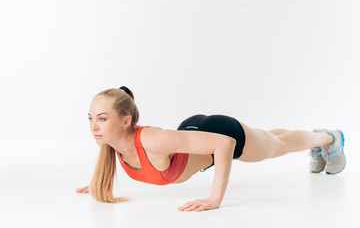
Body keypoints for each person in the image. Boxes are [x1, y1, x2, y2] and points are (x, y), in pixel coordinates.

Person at [75, 86, 346, 212]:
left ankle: (328, 139)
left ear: (126, 121)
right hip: (191, 130)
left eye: (102, 118)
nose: (94, 126)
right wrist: (96, 182)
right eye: (91, 118)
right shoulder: (112, 146)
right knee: (268, 139)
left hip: (222, 131)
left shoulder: (153, 140)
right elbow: (117, 163)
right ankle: (318, 140)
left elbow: (223, 144)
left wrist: (215, 198)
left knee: (278, 146)